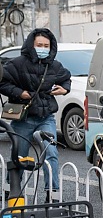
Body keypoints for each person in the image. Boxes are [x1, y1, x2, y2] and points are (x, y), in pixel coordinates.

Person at [0, 28, 71, 197]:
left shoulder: (55, 66)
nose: (43, 48)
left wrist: (65, 89)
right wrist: (19, 93)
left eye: (46, 45)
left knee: (51, 153)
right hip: (23, 118)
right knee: (19, 155)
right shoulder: (17, 64)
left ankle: (52, 193)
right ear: (32, 45)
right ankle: (12, 191)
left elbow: (66, 79)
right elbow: (3, 83)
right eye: (39, 45)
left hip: (46, 117)